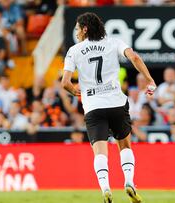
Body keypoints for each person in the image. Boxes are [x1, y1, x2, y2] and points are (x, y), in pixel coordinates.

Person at [61, 12, 156, 203]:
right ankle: (129, 182)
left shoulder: (74, 50)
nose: (77, 32)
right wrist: (150, 80)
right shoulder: (114, 42)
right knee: (125, 145)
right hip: (116, 103)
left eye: (78, 29)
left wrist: (75, 92)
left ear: (85, 29)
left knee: (100, 151)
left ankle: (105, 188)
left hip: (93, 107)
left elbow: (65, 83)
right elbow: (135, 58)